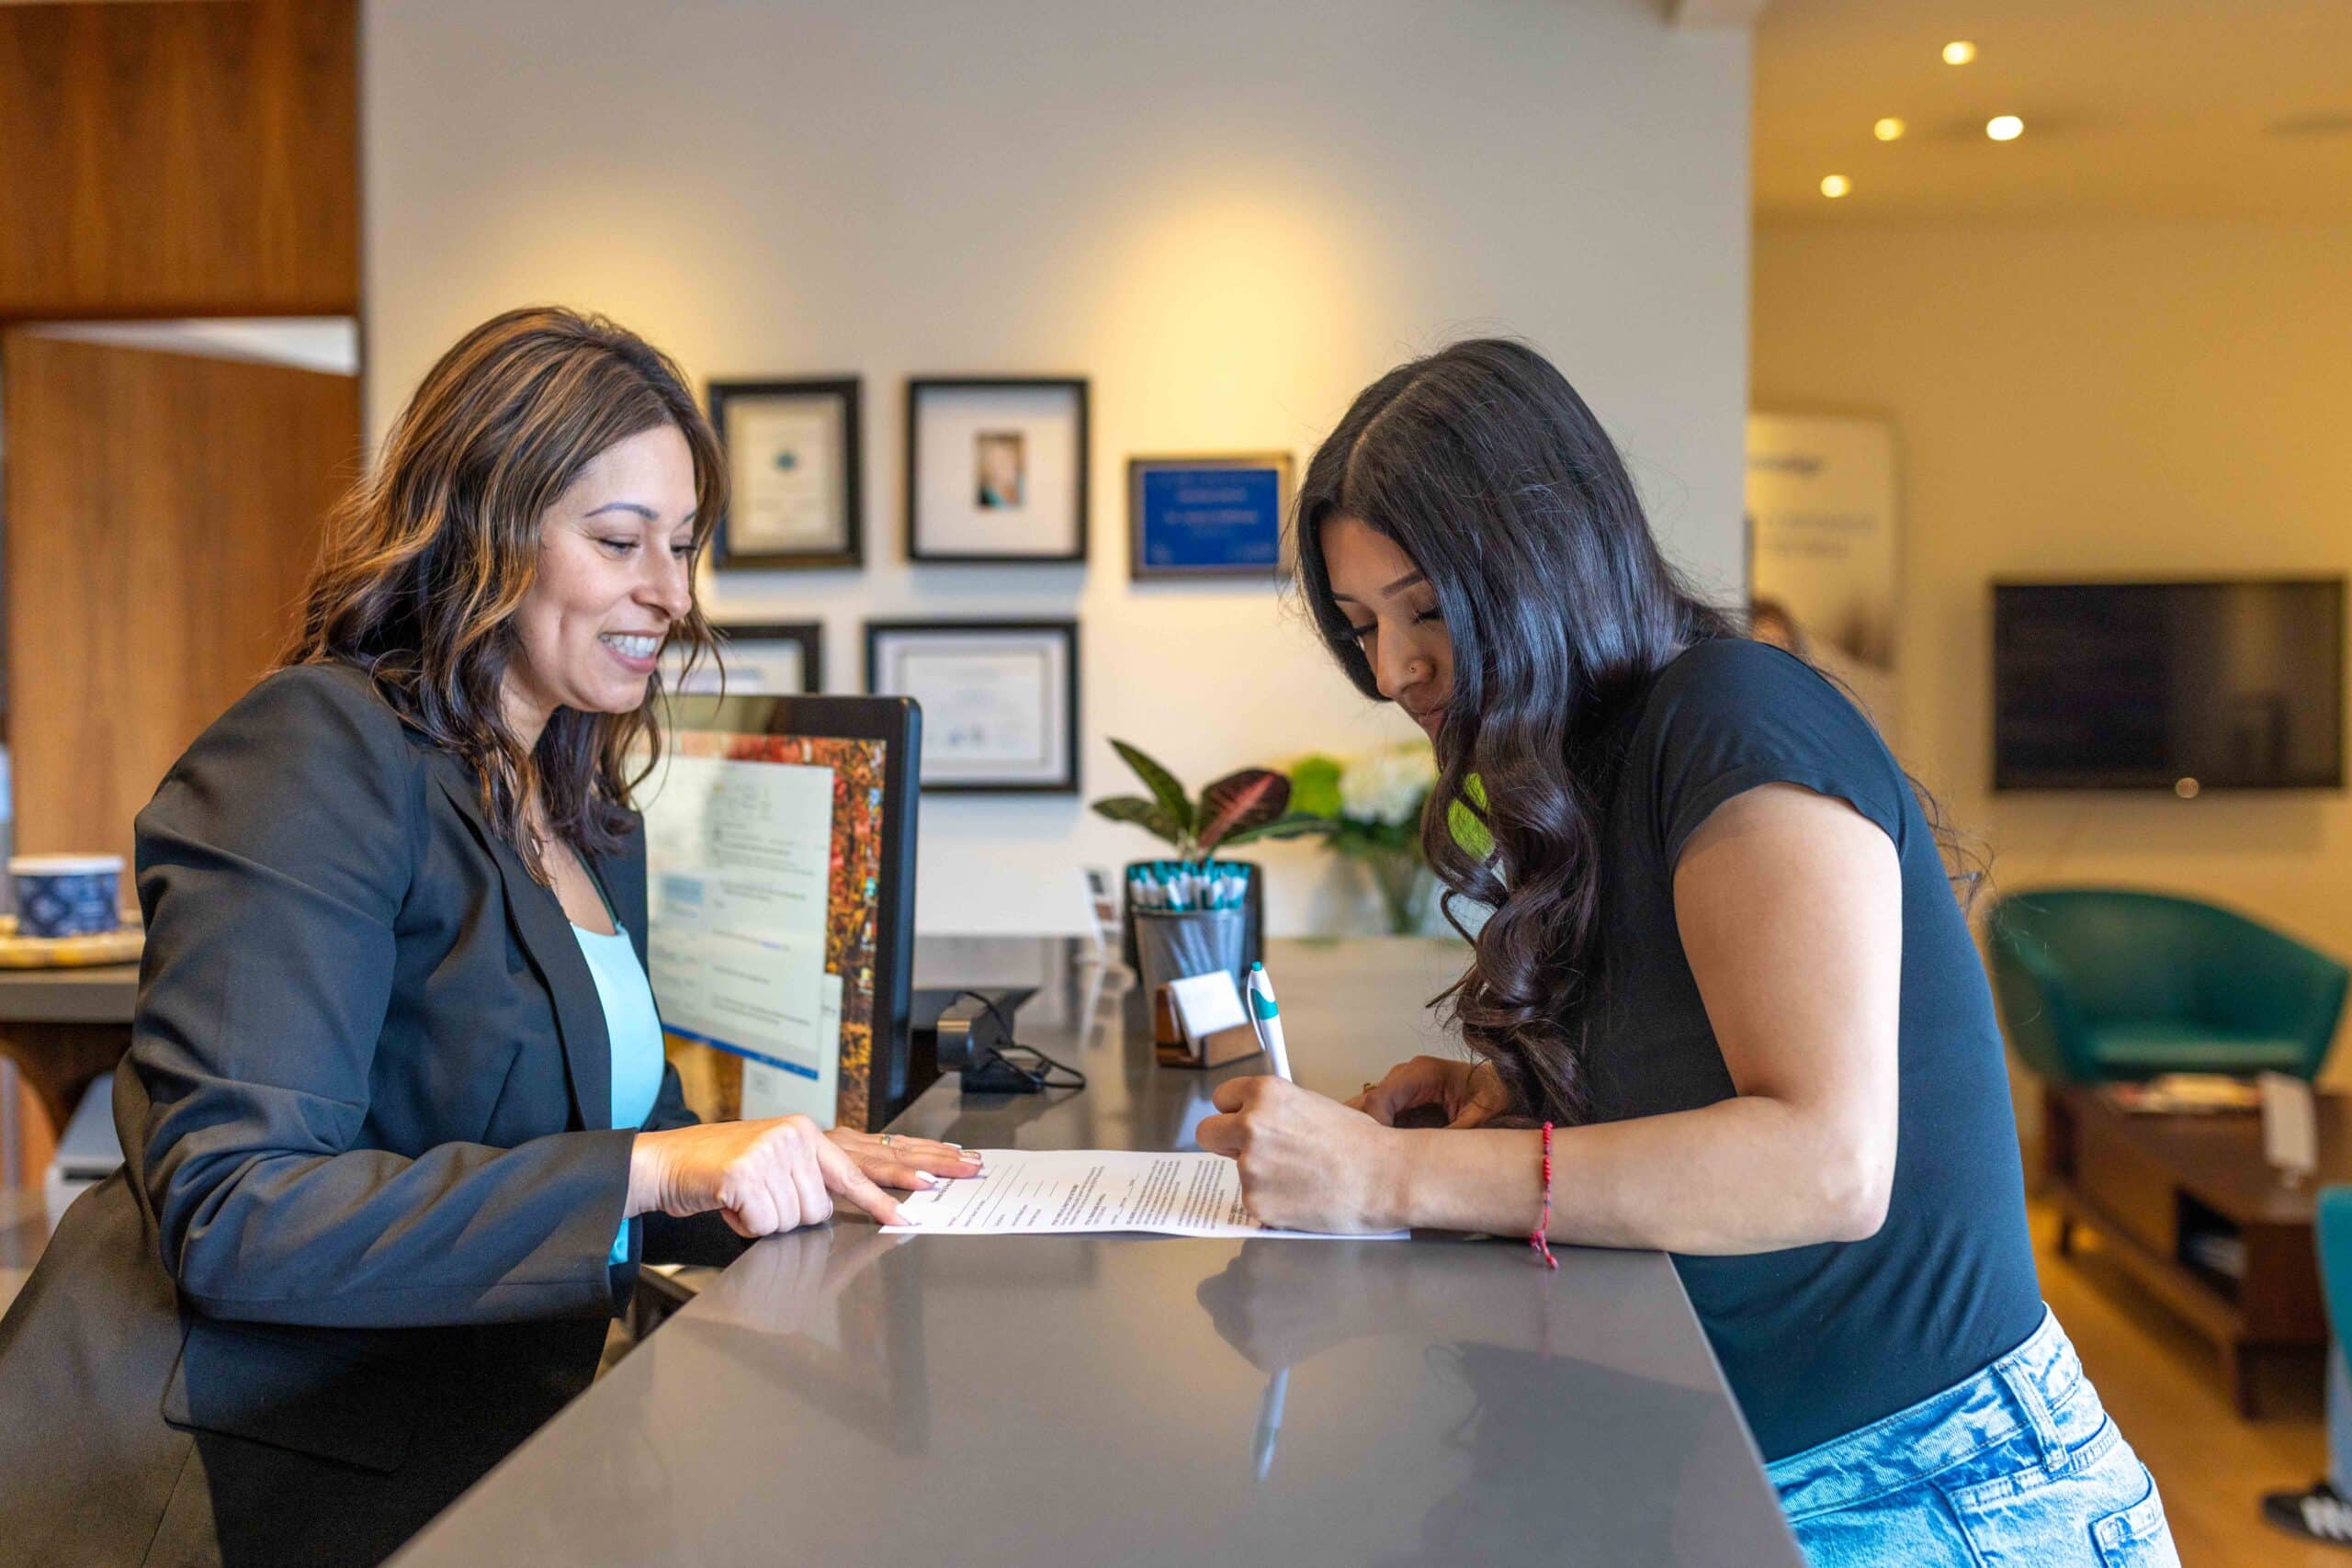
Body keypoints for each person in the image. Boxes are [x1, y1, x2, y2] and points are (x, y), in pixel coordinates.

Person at [0, 307, 978, 1568]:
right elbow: (236, 1214)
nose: (670, 593)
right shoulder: (315, 750)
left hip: (468, 1461)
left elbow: (609, 1140)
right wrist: (655, 1170)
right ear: (484, 536)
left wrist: (806, 1176)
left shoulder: (579, 802)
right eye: (619, 540)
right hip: (212, 1494)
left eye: (683, 545)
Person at [1195, 339, 2179, 1565]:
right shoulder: (1596, 766)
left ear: (1543, 557)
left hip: (1943, 1488)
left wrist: (1389, 1178)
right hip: (1784, 1467)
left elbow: (1823, 1164)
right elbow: (1710, 1064)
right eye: (1362, 627)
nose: (1395, 670)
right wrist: (1514, 1095)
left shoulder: (1732, 716)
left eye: (1428, 610)